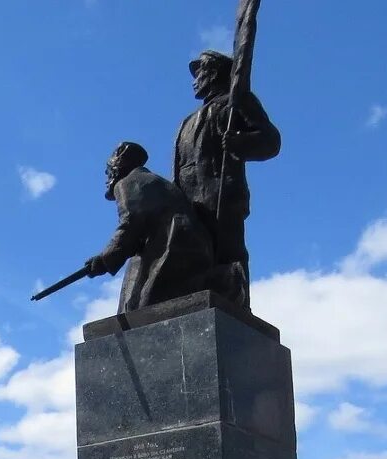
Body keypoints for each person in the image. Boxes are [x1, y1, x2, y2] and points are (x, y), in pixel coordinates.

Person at [172, 49, 281, 307]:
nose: (194, 80)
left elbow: (271, 141)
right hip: (189, 203)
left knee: (229, 254)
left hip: (221, 195)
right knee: (194, 257)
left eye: (199, 73)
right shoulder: (187, 121)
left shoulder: (238, 102)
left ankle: (238, 308)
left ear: (214, 73)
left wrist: (240, 142)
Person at [84, 141, 218, 313]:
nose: (106, 173)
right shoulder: (153, 180)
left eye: (108, 168)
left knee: (141, 311)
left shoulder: (128, 182)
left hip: (173, 250)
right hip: (195, 248)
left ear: (118, 165)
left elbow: (131, 223)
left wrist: (105, 259)